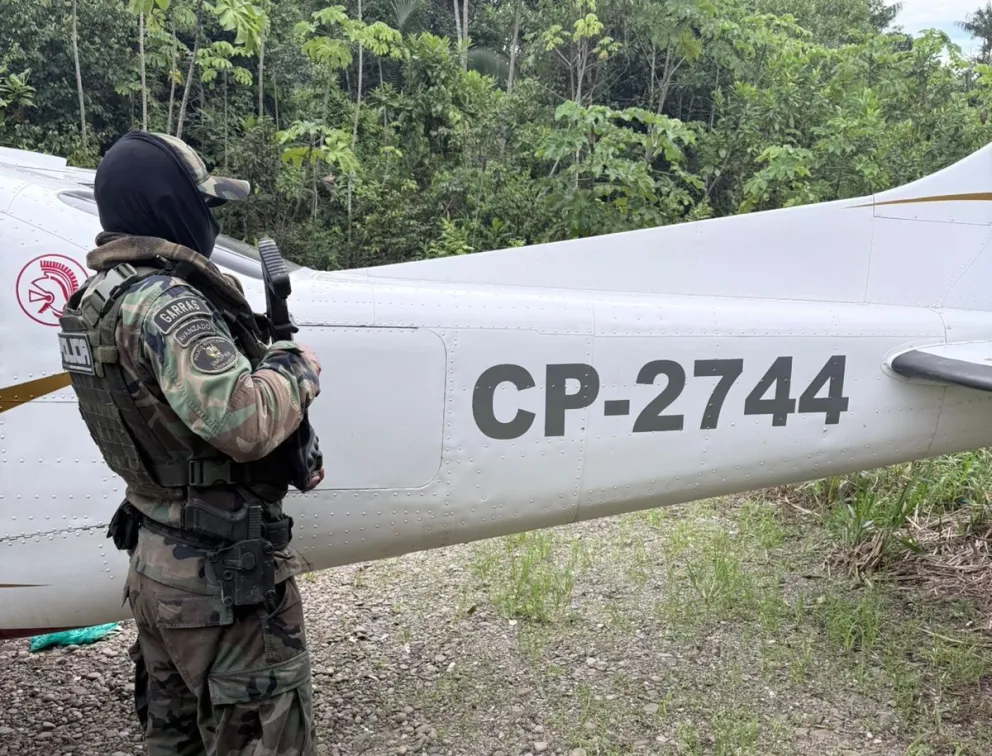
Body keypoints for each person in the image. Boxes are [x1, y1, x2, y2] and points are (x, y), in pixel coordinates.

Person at [56, 130, 323, 755]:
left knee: (174, 740)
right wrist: (294, 367)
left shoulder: (96, 301)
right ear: (166, 204)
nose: (204, 219)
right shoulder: (168, 305)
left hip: (158, 556)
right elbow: (246, 425)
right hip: (220, 576)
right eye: (198, 203)